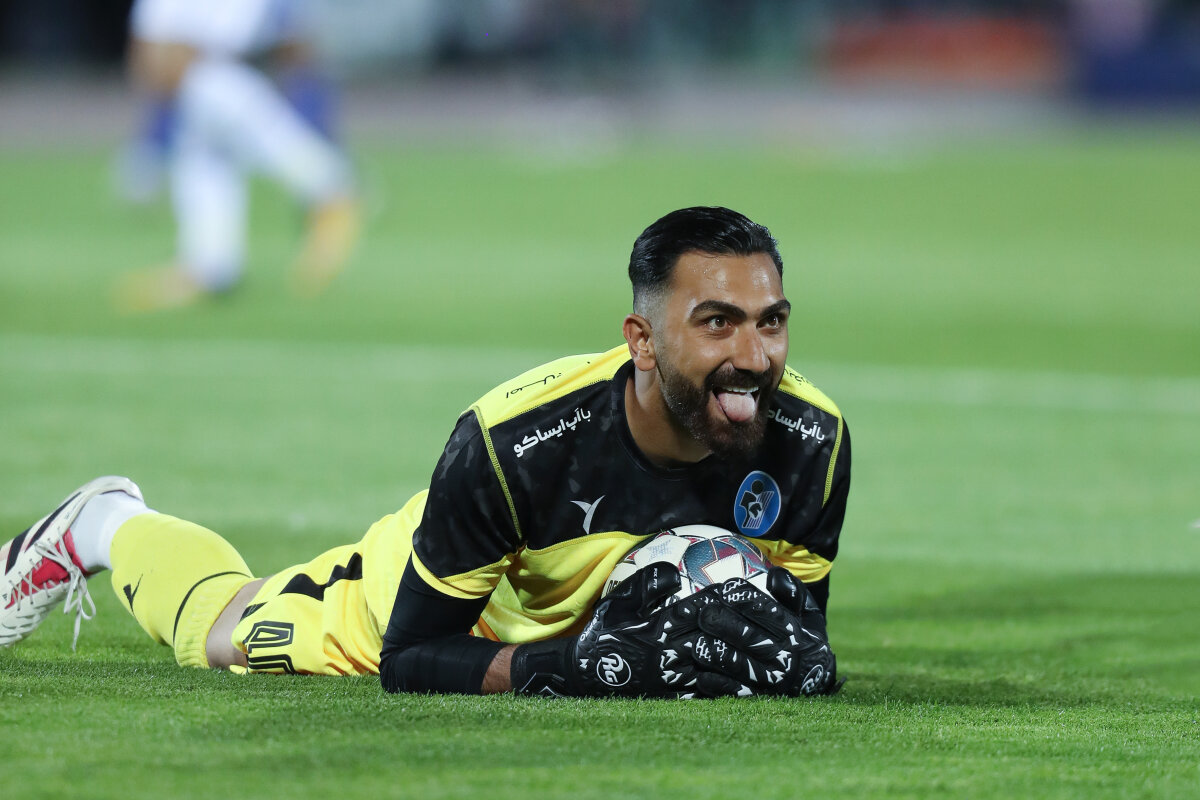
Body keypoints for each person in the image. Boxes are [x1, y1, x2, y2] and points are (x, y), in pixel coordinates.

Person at [2, 207, 850, 698]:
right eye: (717, 324)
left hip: (579, 629)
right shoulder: (516, 444)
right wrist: (571, 667)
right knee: (218, 632)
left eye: (771, 322)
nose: (754, 355)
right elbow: (409, 659)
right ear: (642, 340)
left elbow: (793, 634)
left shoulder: (813, 441)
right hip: (430, 598)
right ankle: (103, 525)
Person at [115, 0, 360, 311]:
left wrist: (148, 145)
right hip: (234, 71)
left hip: (206, 77)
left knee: (266, 146)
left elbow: (153, 56)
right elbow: (292, 38)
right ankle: (210, 266)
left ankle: (330, 190)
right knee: (205, 164)